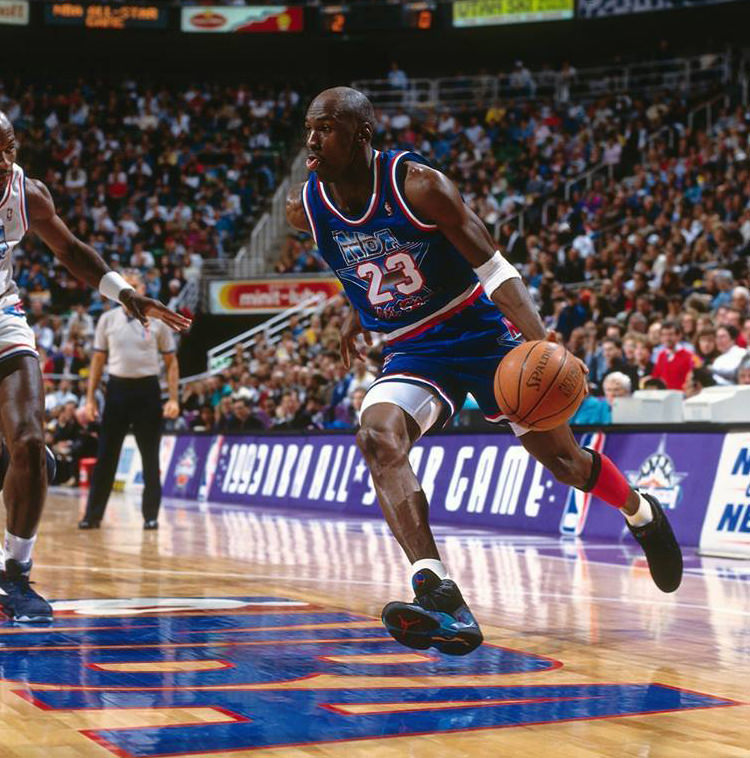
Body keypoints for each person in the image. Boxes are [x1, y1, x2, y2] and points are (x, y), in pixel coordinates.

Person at [286, 87, 683, 656]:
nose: (312, 139)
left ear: (361, 134)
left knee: (567, 464)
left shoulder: (419, 186)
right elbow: (362, 258)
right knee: (376, 434)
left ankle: (640, 510)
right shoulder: (304, 207)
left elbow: (495, 270)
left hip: (480, 335)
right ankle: (438, 590)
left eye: (326, 127)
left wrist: (543, 342)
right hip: (412, 348)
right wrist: (355, 310)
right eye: (309, 126)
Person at [0, 112, 190, 622]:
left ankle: (15, 574)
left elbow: (69, 249)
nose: (3, 161)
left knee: (29, 440)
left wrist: (124, 292)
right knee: (17, 459)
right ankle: (21, 469)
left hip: (4, 320)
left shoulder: (26, 193)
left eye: (10, 148)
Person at [78, 271, 184, 531]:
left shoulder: (157, 319)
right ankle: (93, 515)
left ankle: (151, 516)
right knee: (106, 456)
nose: (129, 290)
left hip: (147, 391)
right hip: (117, 390)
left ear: (144, 288)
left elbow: (171, 362)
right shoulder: (107, 319)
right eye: (125, 286)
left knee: (150, 457)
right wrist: (90, 399)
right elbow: (98, 361)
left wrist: (173, 398)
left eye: (134, 286)